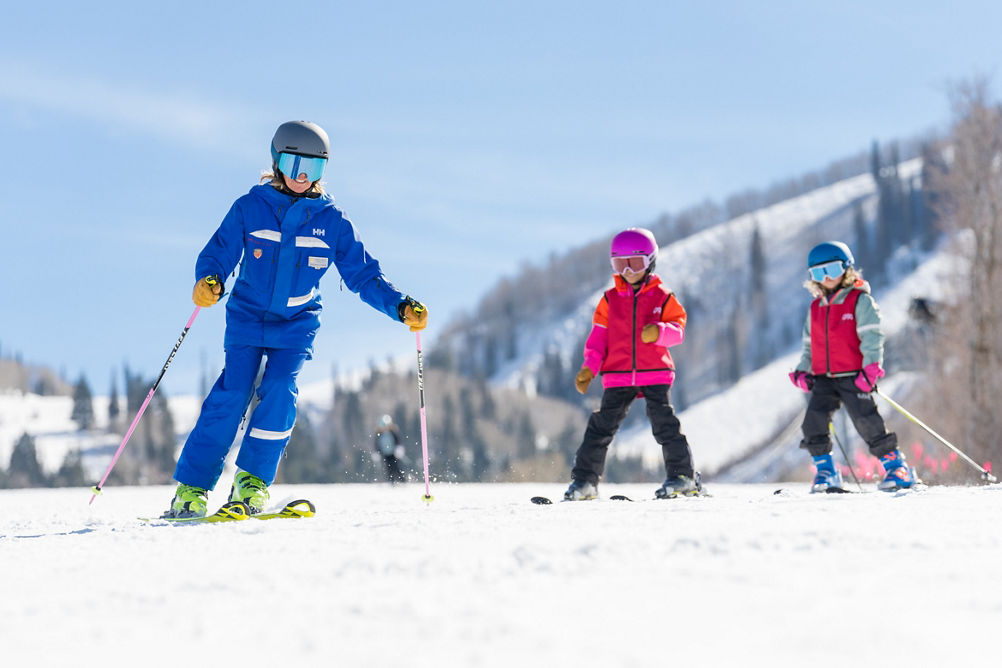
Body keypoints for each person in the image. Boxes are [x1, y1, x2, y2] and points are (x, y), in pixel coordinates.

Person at [164, 120, 428, 518]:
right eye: (294, 164)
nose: (303, 177)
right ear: (276, 161)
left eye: (314, 168)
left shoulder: (331, 221)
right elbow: (219, 252)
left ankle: (252, 482)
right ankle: (192, 489)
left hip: (297, 323)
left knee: (279, 390)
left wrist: (400, 305)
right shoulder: (250, 208)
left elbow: (363, 274)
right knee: (232, 393)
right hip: (248, 318)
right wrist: (210, 281)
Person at [564, 227, 700, 501]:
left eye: (635, 263)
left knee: (664, 424)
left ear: (650, 261)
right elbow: (598, 338)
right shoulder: (609, 301)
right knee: (600, 427)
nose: (628, 271)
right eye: (620, 264)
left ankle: (682, 477)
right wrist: (590, 367)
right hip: (617, 374)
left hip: (655, 372)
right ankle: (584, 482)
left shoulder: (662, 296)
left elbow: (678, 329)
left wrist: (659, 331)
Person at [789, 240, 917, 492]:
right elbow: (808, 346)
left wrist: (871, 368)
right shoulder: (815, 308)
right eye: (818, 273)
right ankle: (825, 472)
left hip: (854, 375)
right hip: (824, 378)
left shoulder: (859, 301)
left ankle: (896, 468)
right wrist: (803, 371)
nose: (826, 278)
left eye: (832, 270)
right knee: (813, 422)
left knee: (867, 421)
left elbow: (872, 337)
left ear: (847, 269)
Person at [372, 414, 407, 483]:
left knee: (396, 467)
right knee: (388, 468)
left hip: (393, 453)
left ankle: (402, 480)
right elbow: (377, 444)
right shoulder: (379, 434)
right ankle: (392, 481)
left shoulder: (393, 432)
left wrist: (399, 448)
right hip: (385, 454)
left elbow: (398, 441)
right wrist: (376, 452)